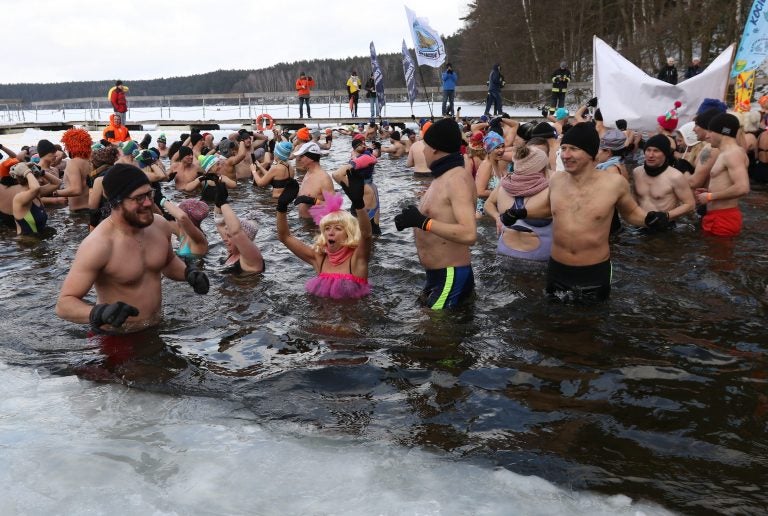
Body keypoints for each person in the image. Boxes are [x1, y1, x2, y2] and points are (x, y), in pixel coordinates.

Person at [501, 123, 671, 302]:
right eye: (564, 148)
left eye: (573, 149)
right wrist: (520, 213)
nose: (565, 155)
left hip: (593, 270)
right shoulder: (557, 180)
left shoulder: (614, 183)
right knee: (553, 324)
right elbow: (548, 209)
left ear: (590, 153)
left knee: (591, 324)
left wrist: (649, 218)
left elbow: (631, 213)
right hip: (557, 268)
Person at [55, 164, 210, 334]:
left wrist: (188, 274)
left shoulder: (159, 225)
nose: (148, 202)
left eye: (149, 194)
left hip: (156, 327)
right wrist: (98, 313)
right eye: (139, 198)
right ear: (117, 202)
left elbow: (168, 261)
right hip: (117, 337)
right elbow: (64, 304)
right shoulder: (99, 244)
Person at [394, 118, 477, 310]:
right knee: (426, 329)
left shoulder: (456, 179)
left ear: (434, 149)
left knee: (436, 333)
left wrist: (423, 222)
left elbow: (469, 234)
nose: (422, 151)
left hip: (451, 274)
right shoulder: (442, 176)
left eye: (425, 145)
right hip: (438, 275)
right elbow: (437, 217)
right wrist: (412, 219)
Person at [275, 168, 372, 299]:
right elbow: (284, 237)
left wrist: (359, 204)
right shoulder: (318, 259)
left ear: (348, 233)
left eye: (338, 228)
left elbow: (366, 234)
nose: (330, 233)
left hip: (352, 318)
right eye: (327, 228)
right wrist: (281, 207)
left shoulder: (357, 259)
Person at [484, 145, 552, 261]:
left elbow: (488, 204)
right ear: (542, 167)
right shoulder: (551, 188)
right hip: (536, 259)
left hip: (506, 253)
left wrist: (501, 216)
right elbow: (488, 204)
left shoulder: (505, 184)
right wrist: (497, 217)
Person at [694, 113, 750, 237]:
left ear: (723, 132)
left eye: (710, 131)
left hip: (724, 217)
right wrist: (709, 191)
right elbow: (728, 183)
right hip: (717, 216)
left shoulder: (732, 154)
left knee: (720, 256)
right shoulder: (726, 153)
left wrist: (710, 196)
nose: (707, 136)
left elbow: (743, 187)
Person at [632, 134, 695, 230]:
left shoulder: (675, 176)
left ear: (665, 154)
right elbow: (634, 200)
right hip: (640, 224)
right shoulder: (637, 172)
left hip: (664, 227)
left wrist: (666, 215)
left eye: (656, 151)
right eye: (648, 150)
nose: (650, 155)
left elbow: (690, 204)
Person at [293, 142, 334, 220]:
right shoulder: (308, 173)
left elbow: (333, 206)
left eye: (302, 156)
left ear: (310, 158)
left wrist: (313, 201)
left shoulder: (324, 178)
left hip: (315, 227)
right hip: (303, 224)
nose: (298, 159)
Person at [57, 128, 94, 212]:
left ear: (70, 146)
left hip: (79, 212)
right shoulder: (90, 163)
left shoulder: (73, 163)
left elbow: (76, 190)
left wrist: (55, 193)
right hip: (90, 209)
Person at [9, 162, 49, 236]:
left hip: (39, 240)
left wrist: (41, 171)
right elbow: (36, 188)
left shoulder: (36, 195)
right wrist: (26, 171)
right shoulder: (19, 198)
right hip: (27, 244)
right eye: (36, 177)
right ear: (28, 178)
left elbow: (57, 183)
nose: (41, 180)